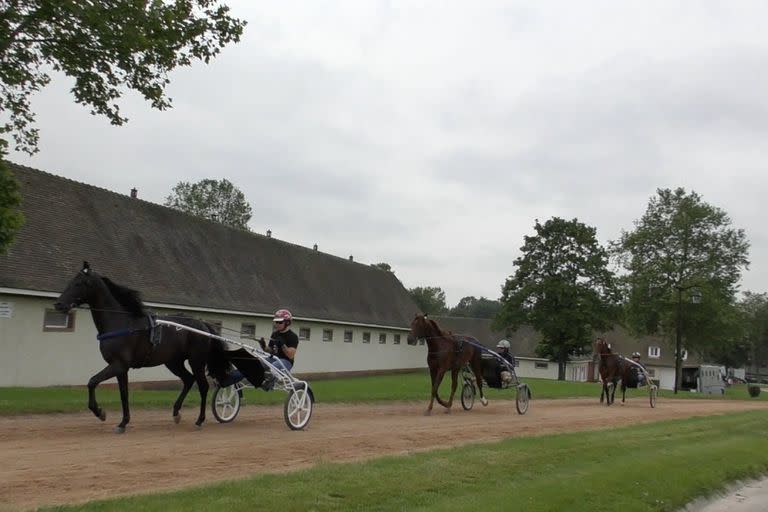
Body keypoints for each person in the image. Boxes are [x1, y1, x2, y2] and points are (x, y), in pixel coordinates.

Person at [260, 308, 299, 391]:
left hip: (286, 361)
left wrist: (283, 344)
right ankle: (258, 380)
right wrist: (263, 346)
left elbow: (290, 355)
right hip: (274, 358)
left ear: (287, 322)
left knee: (274, 366)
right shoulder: (275, 334)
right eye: (276, 322)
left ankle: (269, 384)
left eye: (280, 322)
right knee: (259, 361)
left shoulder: (293, 337)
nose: (277, 324)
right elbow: (270, 350)